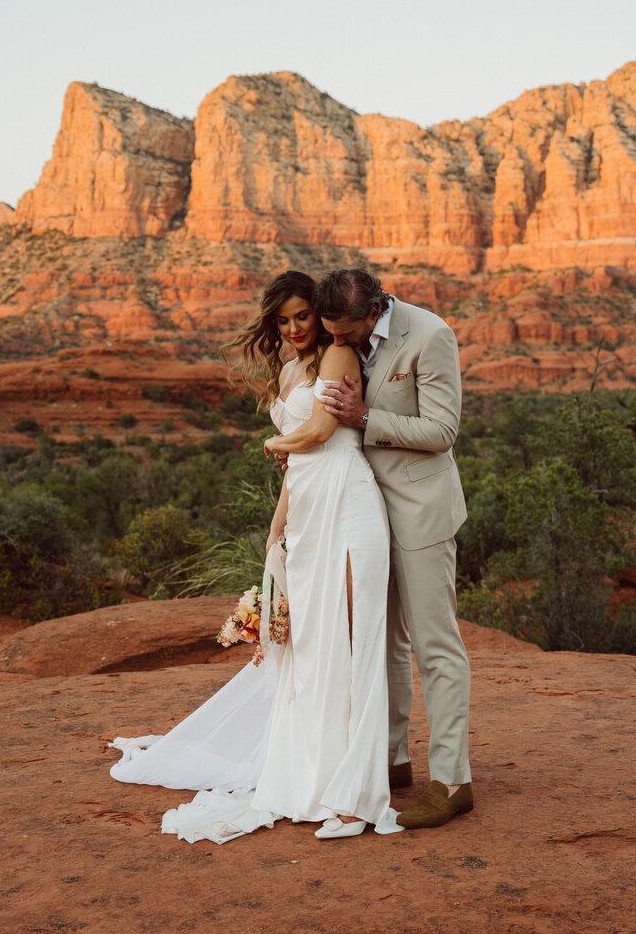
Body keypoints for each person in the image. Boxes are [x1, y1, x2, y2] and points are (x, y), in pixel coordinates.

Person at [108, 271, 402, 842]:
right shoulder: (290, 370)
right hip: (309, 510)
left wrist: (273, 442)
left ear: (320, 313)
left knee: (352, 645)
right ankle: (318, 779)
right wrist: (277, 527)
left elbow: (321, 430)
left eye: (302, 316)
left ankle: (357, 799)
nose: (293, 329)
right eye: (282, 320)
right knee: (313, 650)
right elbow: (298, 464)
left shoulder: (338, 356)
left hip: (348, 503)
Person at [312, 268, 473, 829]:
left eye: (345, 332)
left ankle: (453, 781)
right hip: (365, 514)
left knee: (435, 647)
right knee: (383, 643)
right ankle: (391, 759)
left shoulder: (430, 335)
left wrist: (365, 418)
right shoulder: (341, 335)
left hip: (422, 510)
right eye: (331, 332)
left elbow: (443, 431)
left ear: (375, 311)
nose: (337, 341)